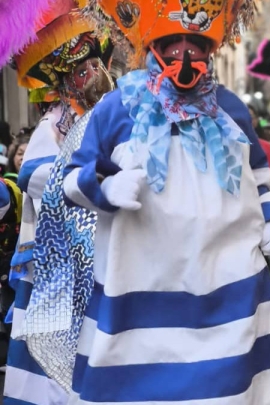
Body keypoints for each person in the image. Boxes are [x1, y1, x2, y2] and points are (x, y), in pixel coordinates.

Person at [61, 1, 270, 403]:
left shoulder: (231, 108)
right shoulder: (117, 107)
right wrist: (105, 189)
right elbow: (72, 180)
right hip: (142, 281)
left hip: (227, 278)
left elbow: (259, 176)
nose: (185, 54)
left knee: (231, 390)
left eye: (196, 43)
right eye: (174, 42)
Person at [2, 2, 115, 402]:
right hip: (59, 263)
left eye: (96, 67)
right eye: (82, 71)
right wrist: (92, 182)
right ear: (66, 82)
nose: (93, 76)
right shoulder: (55, 124)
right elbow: (36, 175)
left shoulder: (114, 115)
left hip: (107, 253)